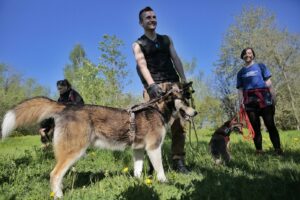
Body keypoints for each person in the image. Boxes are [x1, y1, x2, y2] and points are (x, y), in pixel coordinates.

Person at [132, 6, 189, 173]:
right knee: (150, 127)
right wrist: (151, 85)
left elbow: (176, 59)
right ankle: (152, 164)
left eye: (154, 17)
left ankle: (178, 161)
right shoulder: (138, 44)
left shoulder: (166, 39)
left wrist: (183, 81)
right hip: (154, 87)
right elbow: (142, 65)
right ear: (141, 22)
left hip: (173, 85)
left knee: (179, 124)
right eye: (148, 17)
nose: (152, 19)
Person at [236, 47, 283, 155]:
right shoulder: (240, 72)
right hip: (249, 100)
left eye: (250, 53)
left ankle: (278, 149)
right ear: (242, 56)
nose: (248, 55)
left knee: (270, 124)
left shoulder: (261, 66)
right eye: (245, 53)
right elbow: (240, 89)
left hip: (264, 98)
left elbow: (269, 83)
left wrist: (273, 97)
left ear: (253, 55)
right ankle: (259, 150)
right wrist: (240, 103)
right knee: (255, 127)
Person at [39, 79, 84, 147]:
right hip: (62, 116)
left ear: (66, 86)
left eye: (60, 88)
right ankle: (45, 141)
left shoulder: (72, 93)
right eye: (58, 88)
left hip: (74, 116)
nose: (59, 90)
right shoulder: (60, 98)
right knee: (45, 121)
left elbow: (80, 105)